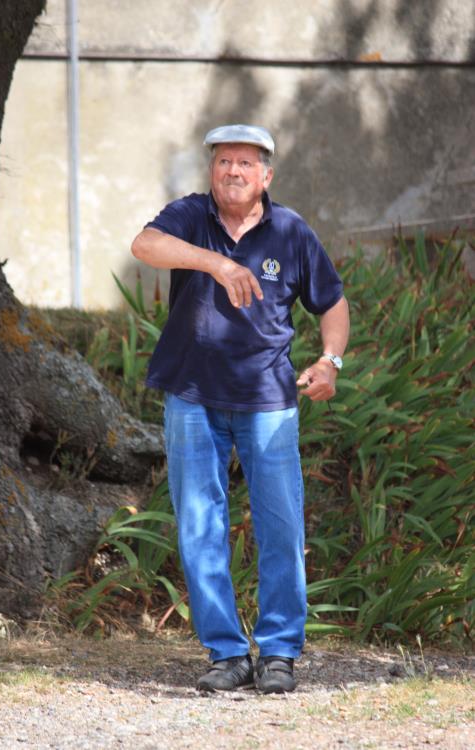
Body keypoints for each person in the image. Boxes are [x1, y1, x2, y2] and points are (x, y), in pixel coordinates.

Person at [131, 124, 350, 694]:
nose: (233, 171)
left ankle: (279, 653)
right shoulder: (189, 216)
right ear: (212, 171)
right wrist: (217, 264)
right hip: (192, 397)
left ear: (266, 176)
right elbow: (144, 246)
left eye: (245, 164)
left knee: (280, 527)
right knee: (201, 526)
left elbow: (333, 303)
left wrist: (330, 362)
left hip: (269, 402)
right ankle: (226, 654)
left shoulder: (291, 231)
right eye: (224, 161)